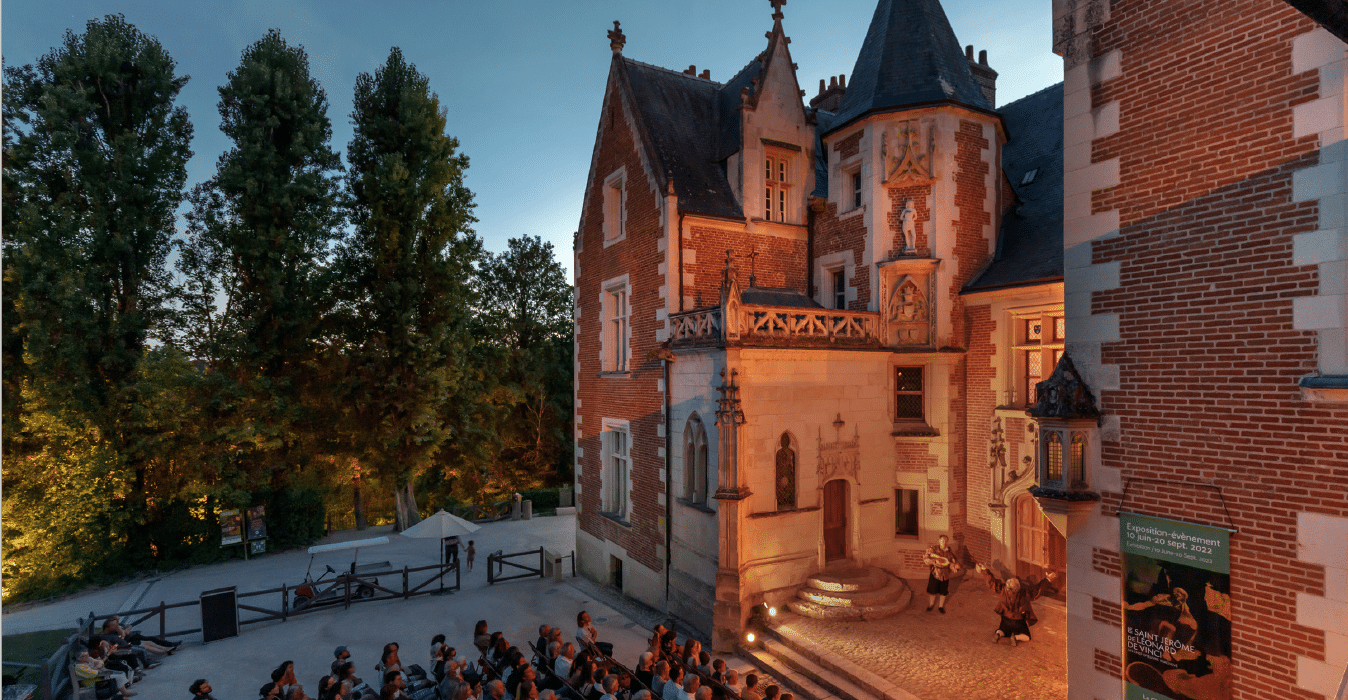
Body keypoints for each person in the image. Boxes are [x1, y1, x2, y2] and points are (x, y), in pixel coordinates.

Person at [978, 564, 1039, 646]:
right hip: (1018, 621)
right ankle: (1016, 637)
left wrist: (984, 570)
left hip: (1006, 619)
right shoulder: (1024, 594)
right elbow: (1037, 590)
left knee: (1003, 629)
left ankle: (999, 634)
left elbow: (992, 583)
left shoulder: (1003, 590)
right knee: (1027, 636)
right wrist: (1048, 579)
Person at [923, 534, 960, 613]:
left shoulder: (949, 553)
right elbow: (926, 558)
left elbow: (954, 562)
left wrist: (955, 567)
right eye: (942, 540)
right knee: (932, 590)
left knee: (943, 591)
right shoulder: (933, 549)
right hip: (935, 573)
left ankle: (941, 606)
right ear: (939, 541)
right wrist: (934, 561)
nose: (944, 542)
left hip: (945, 575)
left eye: (946, 541)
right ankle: (931, 604)